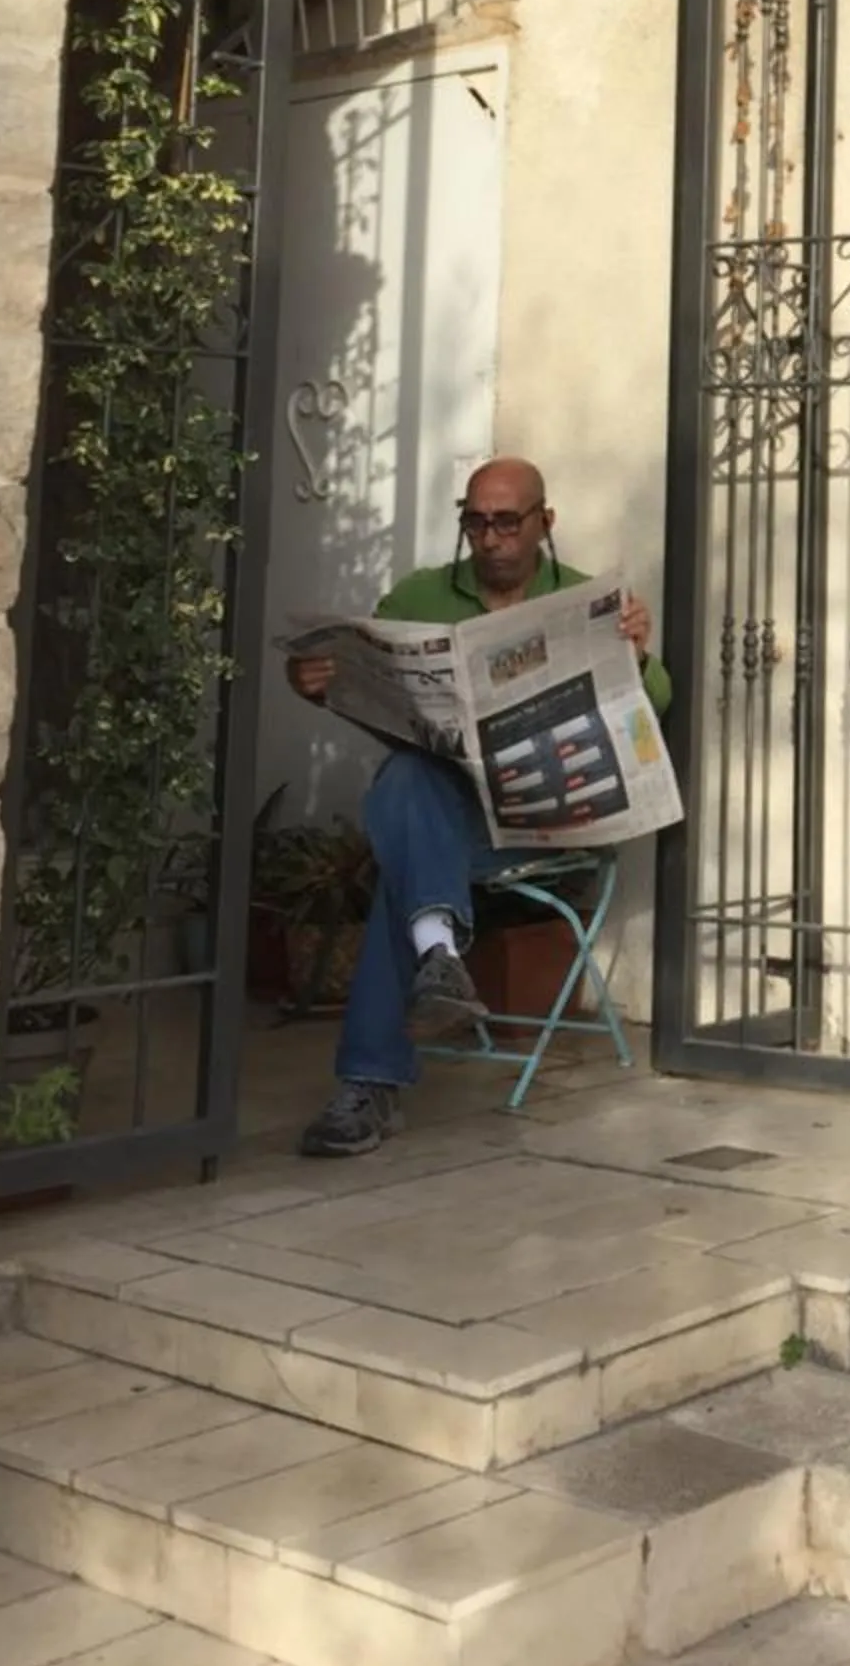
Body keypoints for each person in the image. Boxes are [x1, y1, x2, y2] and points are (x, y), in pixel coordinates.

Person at [286, 456, 671, 1160]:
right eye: (475, 523)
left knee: (404, 866)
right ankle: (437, 954)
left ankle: (373, 1079)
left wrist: (638, 659)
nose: (490, 539)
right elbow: (364, 683)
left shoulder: (585, 600)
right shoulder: (419, 597)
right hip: (449, 823)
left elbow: (660, 705)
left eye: (506, 522)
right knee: (408, 776)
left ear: (543, 523)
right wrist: (315, 681)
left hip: (543, 824)